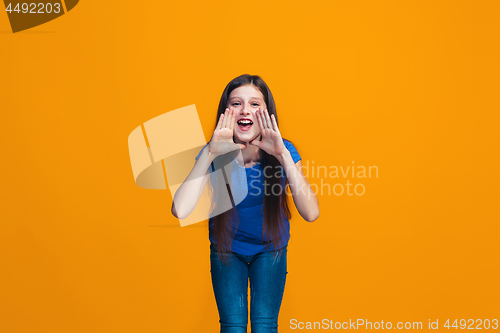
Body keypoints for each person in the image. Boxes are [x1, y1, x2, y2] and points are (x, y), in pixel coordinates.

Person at [171, 74, 319, 333]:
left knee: (264, 327)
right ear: (225, 113)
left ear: (267, 113)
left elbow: (311, 213)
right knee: (233, 328)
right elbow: (180, 209)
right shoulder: (214, 151)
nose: (245, 110)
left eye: (254, 104)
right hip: (227, 249)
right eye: (236, 103)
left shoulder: (284, 150)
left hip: (270, 249)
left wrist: (282, 154)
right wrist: (210, 153)